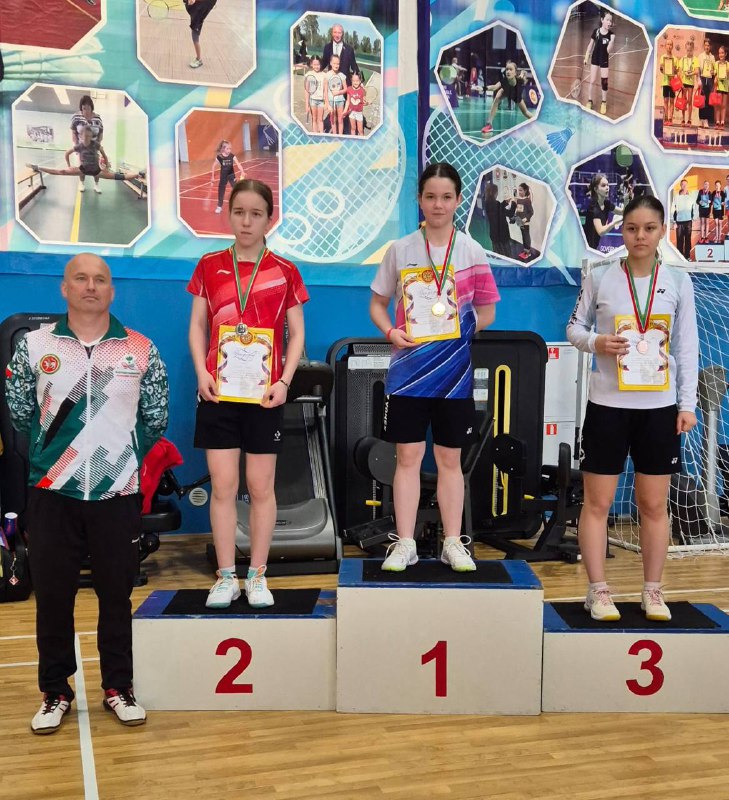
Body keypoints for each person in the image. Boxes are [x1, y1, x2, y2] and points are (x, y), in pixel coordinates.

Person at [5, 253, 169, 734]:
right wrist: (55, 456)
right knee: (53, 598)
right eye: (81, 278)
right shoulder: (35, 346)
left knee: (116, 596)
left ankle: (119, 687)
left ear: (112, 291)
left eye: (100, 279)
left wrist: (120, 459)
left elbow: (155, 417)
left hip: (117, 495)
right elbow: (19, 411)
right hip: (52, 491)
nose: (91, 286)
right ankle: (55, 692)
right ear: (65, 288)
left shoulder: (140, 348)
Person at [567, 195, 698, 622]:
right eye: (631, 228)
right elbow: (574, 328)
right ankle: (598, 591)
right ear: (621, 231)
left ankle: (653, 591)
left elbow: (687, 347)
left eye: (649, 228)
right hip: (607, 406)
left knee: (654, 504)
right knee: (597, 502)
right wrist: (597, 342)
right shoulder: (600, 277)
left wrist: (687, 403)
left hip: (659, 409)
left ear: (662, 231)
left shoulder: (678, 282)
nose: (639, 236)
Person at [369, 162, 500, 573]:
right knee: (407, 457)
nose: (438, 205)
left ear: (458, 200)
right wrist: (390, 332)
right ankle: (404, 543)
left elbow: (488, 312)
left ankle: (452, 543)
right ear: (419, 200)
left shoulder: (471, 251)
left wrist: (459, 331)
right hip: (408, 373)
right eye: (430, 197)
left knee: (449, 459)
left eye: (446, 197)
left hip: (454, 375)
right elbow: (377, 304)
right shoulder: (400, 249)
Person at [188, 179, 308, 609]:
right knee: (223, 487)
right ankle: (225, 576)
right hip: (219, 393)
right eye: (239, 212)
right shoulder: (209, 265)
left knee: (260, 488)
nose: (246, 221)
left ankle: (257, 575)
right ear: (229, 214)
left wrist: (284, 382)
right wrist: (202, 372)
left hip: (264, 397)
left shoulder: (285, 270)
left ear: (269, 219)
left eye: (256, 214)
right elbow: (198, 325)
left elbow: (297, 334)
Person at [28, 126, 145, 185]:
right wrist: (69, 165)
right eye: (84, 136)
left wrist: (106, 166)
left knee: (119, 177)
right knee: (61, 171)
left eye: (89, 136)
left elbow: (104, 155)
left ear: (91, 136)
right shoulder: (79, 146)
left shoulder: (96, 144)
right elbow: (67, 153)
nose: (87, 138)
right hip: (82, 170)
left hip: (97, 171)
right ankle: (38, 167)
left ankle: (139, 174)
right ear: (81, 136)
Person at [480, 61, 533, 134]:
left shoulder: (519, 80)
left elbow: (523, 76)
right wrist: (483, 88)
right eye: (507, 69)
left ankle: (536, 120)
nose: (508, 71)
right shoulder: (504, 80)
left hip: (515, 95)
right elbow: (494, 87)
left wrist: (523, 74)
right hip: (506, 91)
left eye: (511, 69)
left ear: (515, 73)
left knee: (525, 112)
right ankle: (489, 124)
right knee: (497, 98)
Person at [583, 7, 615, 115]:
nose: (609, 22)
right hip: (595, 58)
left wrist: (612, 41)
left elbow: (608, 50)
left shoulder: (611, 35)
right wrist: (586, 56)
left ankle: (604, 102)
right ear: (602, 20)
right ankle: (590, 100)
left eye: (611, 20)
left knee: (604, 82)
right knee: (592, 81)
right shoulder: (595, 31)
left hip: (604, 60)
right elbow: (590, 45)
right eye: (607, 20)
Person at [70, 95, 104, 194]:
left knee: (96, 166)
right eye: (84, 108)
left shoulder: (97, 118)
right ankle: (82, 183)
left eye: (88, 108)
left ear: (91, 107)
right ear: (81, 108)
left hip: (94, 146)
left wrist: (98, 145)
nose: (86, 111)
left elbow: (101, 133)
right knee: (82, 166)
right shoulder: (76, 117)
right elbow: (73, 133)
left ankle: (96, 185)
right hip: (82, 146)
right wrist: (76, 146)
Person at [582, 173, 623, 252]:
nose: (607, 188)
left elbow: (622, 212)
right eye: (603, 185)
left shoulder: (607, 204)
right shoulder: (593, 207)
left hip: (593, 246)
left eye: (608, 185)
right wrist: (615, 222)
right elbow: (600, 231)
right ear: (596, 189)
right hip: (584, 248)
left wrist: (626, 200)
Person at [210, 140, 244, 214]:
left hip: (231, 175)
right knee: (221, 191)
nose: (229, 150)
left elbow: (238, 164)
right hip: (223, 176)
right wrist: (212, 177)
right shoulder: (220, 157)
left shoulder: (232, 156)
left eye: (230, 149)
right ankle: (219, 206)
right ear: (223, 149)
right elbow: (213, 166)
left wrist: (242, 171)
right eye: (227, 149)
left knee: (236, 190)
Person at [504, 182, 534, 261]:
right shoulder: (518, 200)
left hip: (525, 222)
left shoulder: (527, 201)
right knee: (523, 235)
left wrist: (526, 219)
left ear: (525, 191)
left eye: (521, 190)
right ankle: (525, 250)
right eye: (518, 190)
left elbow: (531, 212)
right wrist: (515, 217)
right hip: (519, 221)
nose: (519, 192)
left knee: (526, 236)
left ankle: (528, 252)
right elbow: (518, 210)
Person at [184, 0, 218, 69]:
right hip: (197, 12)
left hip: (199, 15)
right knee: (195, 36)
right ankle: (198, 59)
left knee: (195, 36)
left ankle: (199, 59)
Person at [482, 181, 511, 258]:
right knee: (507, 255)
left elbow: (497, 210)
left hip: (494, 233)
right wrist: (514, 204)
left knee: (497, 254)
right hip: (502, 234)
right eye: (497, 192)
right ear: (494, 192)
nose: (497, 193)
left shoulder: (487, 202)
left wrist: (505, 203)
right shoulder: (496, 204)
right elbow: (508, 213)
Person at [671, 178, 695, 260]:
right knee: (679, 240)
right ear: (680, 186)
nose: (684, 186)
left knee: (688, 240)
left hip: (688, 221)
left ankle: (687, 256)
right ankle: (680, 257)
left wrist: (693, 218)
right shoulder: (676, 197)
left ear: (687, 186)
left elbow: (694, 208)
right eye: (682, 185)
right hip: (679, 222)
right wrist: (673, 221)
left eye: (685, 185)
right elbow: (672, 209)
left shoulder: (691, 196)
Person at [325, 54, 348, 135]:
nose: (336, 65)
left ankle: (340, 136)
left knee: (340, 120)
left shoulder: (342, 76)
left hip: (340, 101)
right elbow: (325, 91)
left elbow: (346, 89)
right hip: (331, 101)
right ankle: (334, 135)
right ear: (331, 63)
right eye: (334, 63)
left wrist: (338, 92)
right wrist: (327, 104)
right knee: (333, 120)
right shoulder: (327, 75)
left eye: (338, 63)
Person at [659, 38, 679, 127]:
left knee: (672, 100)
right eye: (668, 44)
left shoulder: (675, 59)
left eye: (671, 44)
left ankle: (670, 119)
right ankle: (666, 118)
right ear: (665, 46)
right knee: (665, 100)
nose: (669, 46)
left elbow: (677, 71)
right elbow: (661, 69)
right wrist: (664, 69)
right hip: (665, 82)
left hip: (673, 83)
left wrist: (674, 71)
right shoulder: (662, 57)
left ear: (672, 46)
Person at [304, 56, 326, 134]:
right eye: (315, 64)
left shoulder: (324, 75)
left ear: (320, 64)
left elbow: (325, 90)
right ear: (311, 64)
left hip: (321, 101)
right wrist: (307, 105)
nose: (317, 66)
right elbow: (306, 91)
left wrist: (326, 102)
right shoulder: (308, 75)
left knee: (320, 119)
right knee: (314, 119)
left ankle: (321, 134)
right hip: (312, 100)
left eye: (318, 64)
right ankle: (315, 135)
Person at [679, 39, 698, 126]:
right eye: (687, 50)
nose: (689, 52)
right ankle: (683, 119)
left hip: (691, 83)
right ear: (685, 49)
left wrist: (690, 73)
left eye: (690, 50)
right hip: (684, 82)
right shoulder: (682, 59)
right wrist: (681, 83)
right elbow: (680, 72)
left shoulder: (695, 59)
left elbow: (697, 71)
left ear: (693, 49)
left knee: (690, 101)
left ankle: (689, 120)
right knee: (683, 101)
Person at [698, 38, 716, 128]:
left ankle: (706, 120)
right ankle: (701, 119)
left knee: (708, 101)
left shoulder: (712, 57)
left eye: (708, 45)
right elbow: (698, 69)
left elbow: (715, 69)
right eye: (705, 45)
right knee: (702, 100)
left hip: (709, 80)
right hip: (702, 78)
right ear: (704, 46)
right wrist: (698, 79)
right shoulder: (700, 56)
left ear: (710, 46)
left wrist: (713, 72)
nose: (707, 47)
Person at [344, 71, 368, 136]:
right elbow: (348, 101)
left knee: (360, 130)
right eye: (353, 81)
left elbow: (364, 102)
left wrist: (366, 103)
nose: (355, 82)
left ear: (360, 81)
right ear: (351, 81)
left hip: (359, 113)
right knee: (353, 128)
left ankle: (362, 140)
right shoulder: (349, 89)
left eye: (357, 81)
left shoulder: (362, 90)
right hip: (351, 113)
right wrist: (345, 111)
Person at [714, 45, 729, 128]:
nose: (721, 55)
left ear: (725, 54)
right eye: (720, 53)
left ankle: (722, 122)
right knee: (718, 104)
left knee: (723, 105)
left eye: (722, 53)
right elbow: (715, 73)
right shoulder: (716, 63)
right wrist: (715, 76)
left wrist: (728, 73)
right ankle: (717, 121)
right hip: (719, 86)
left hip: (725, 86)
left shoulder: (728, 64)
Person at [711, 178, 725, 243]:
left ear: (720, 185)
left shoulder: (723, 193)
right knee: (716, 224)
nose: (717, 186)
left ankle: (719, 238)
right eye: (716, 185)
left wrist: (723, 203)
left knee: (720, 224)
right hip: (715, 211)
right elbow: (711, 202)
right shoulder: (713, 192)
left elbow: (723, 202)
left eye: (718, 185)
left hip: (721, 211)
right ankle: (717, 238)